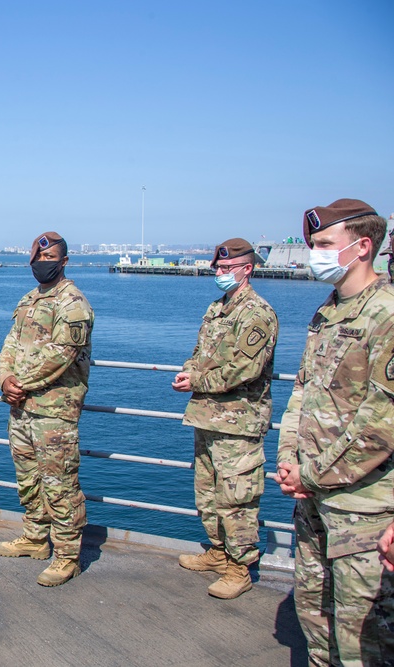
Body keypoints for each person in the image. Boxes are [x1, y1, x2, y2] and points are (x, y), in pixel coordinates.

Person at [273, 198, 394, 666]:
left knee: (363, 639)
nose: (313, 254)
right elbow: (303, 393)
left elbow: (380, 424)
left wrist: (313, 474)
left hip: (363, 509)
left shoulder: (385, 315)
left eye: (324, 244)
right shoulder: (328, 313)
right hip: (314, 498)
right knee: (315, 620)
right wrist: (289, 460)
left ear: (362, 247)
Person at [172, 238, 278, 599]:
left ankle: (240, 567)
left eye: (226, 269)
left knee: (237, 498)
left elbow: (245, 369)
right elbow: (199, 353)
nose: (219, 274)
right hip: (206, 416)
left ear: (246, 269)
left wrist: (197, 380)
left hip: (239, 422)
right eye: (217, 268)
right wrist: (188, 372)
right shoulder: (217, 309)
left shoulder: (257, 314)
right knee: (208, 494)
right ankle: (218, 553)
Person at [0, 232, 93, 587]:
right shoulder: (28, 300)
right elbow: (9, 343)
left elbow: (61, 356)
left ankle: (66, 556)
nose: (41, 261)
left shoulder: (73, 304)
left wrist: (19, 382)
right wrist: (4, 378)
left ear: (64, 261)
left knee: (60, 484)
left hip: (54, 412)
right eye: (37, 255)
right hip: (21, 408)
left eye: (48, 255)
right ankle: (35, 538)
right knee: (29, 480)